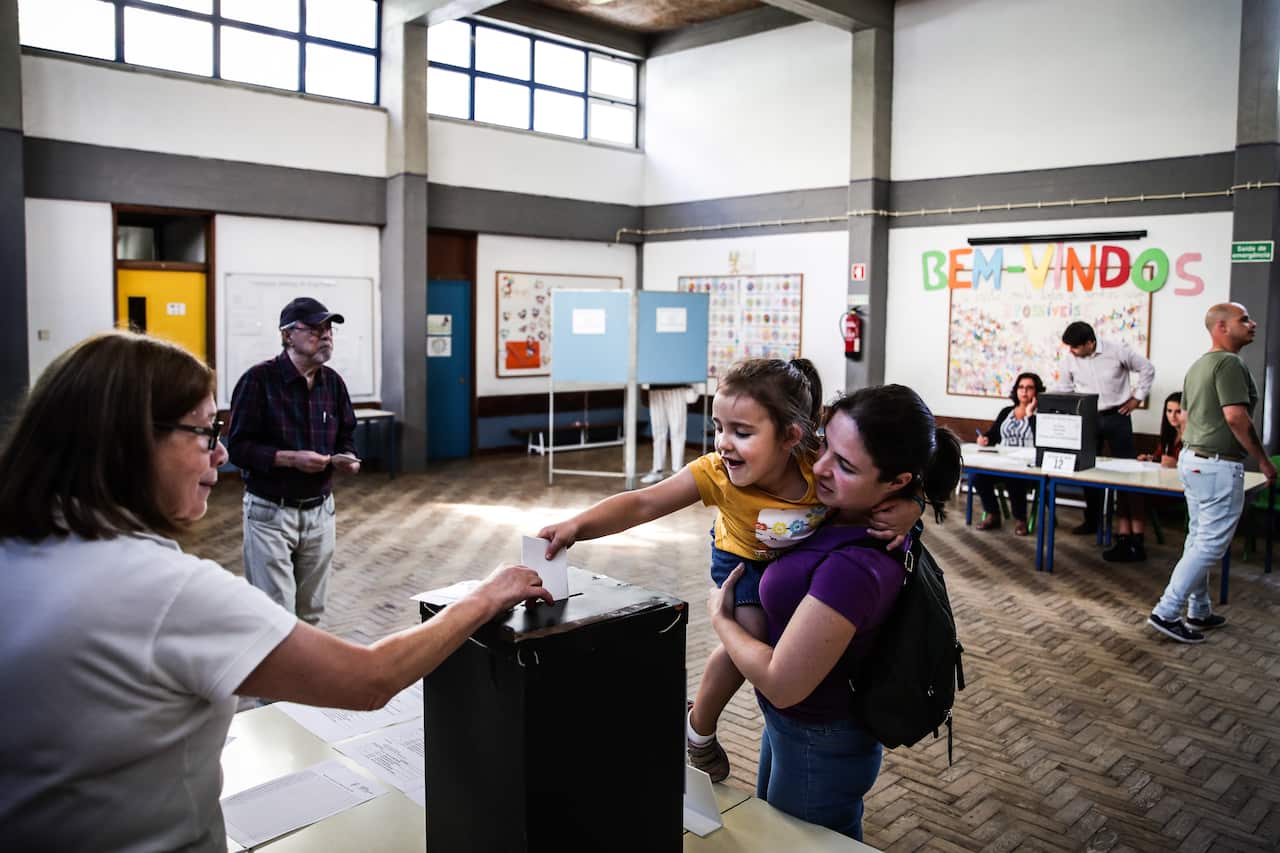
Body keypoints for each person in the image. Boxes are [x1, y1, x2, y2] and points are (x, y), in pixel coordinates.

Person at [0, 331, 551, 850]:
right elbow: (369, 680)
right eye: (204, 433)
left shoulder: (23, 551)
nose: (220, 455)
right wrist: (486, 595)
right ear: (130, 442)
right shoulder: (161, 591)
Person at [537, 358, 919, 782]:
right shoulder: (716, 474)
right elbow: (645, 502)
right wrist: (577, 527)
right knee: (750, 636)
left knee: (774, 642)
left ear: (792, 436)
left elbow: (892, 477)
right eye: (719, 427)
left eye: (742, 432)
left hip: (789, 561)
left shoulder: (817, 463)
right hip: (739, 559)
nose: (723, 443)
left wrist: (911, 507)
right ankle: (699, 728)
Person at [709, 384, 962, 841]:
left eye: (844, 465)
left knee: (800, 843)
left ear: (897, 482)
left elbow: (783, 683)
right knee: (780, 835)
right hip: (795, 727)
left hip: (819, 737)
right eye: (824, 441)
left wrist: (722, 622)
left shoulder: (855, 567)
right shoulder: (857, 508)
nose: (819, 467)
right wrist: (915, 505)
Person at [1148, 304, 1277, 643]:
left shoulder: (1199, 365)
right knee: (1209, 542)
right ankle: (1166, 610)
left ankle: (1199, 609)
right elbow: (1236, 417)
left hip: (1194, 460)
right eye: (1244, 319)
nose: (1253, 323)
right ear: (1221, 326)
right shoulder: (1229, 363)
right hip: (1217, 465)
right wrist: (1263, 460)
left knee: (1198, 537)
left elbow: (1188, 418)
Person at [228, 296, 360, 625]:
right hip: (271, 511)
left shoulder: (333, 383)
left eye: (329, 329)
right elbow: (239, 448)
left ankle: (305, 677)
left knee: (311, 615)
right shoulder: (257, 381)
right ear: (288, 335)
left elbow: (347, 434)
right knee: (275, 615)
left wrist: (348, 457)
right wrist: (290, 459)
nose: (326, 335)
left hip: (320, 511)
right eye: (315, 329)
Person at [1056, 321, 1156, 554]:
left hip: (1117, 416)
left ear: (1090, 343)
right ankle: (1092, 521)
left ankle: (1128, 527)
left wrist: (1137, 398)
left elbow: (1147, 369)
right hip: (1088, 416)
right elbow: (1065, 387)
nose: (1071, 351)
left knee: (1126, 472)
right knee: (1087, 469)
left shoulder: (1116, 350)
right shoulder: (1070, 357)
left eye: (1076, 348)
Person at [973, 371, 1043, 535]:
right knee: (978, 477)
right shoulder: (1006, 412)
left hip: (1030, 468)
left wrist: (1030, 415)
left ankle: (1021, 519)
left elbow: (1042, 440)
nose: (1024, 391)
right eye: (1021, 387)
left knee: (1014, 477)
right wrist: (985, 439)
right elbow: (994, 434)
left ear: (1037, 391)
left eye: (1029, 388)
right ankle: (993, 514)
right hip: (1003, 462)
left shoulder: (1042, 414)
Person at [641, 383, 693, 484]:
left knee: (677, 431)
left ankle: (677, 471)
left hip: (677, 385)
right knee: (657, 431)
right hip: (655, 386)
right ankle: (657, 470)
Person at [1138, 392, 1185, 468]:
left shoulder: (1195, 437)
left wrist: (1177, 465)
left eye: (1178, 411)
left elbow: (1199, 468)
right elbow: (1159, 457)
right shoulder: (1168, 433)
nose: (1172, 416)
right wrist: (1150, 458)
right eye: (1169, 411)